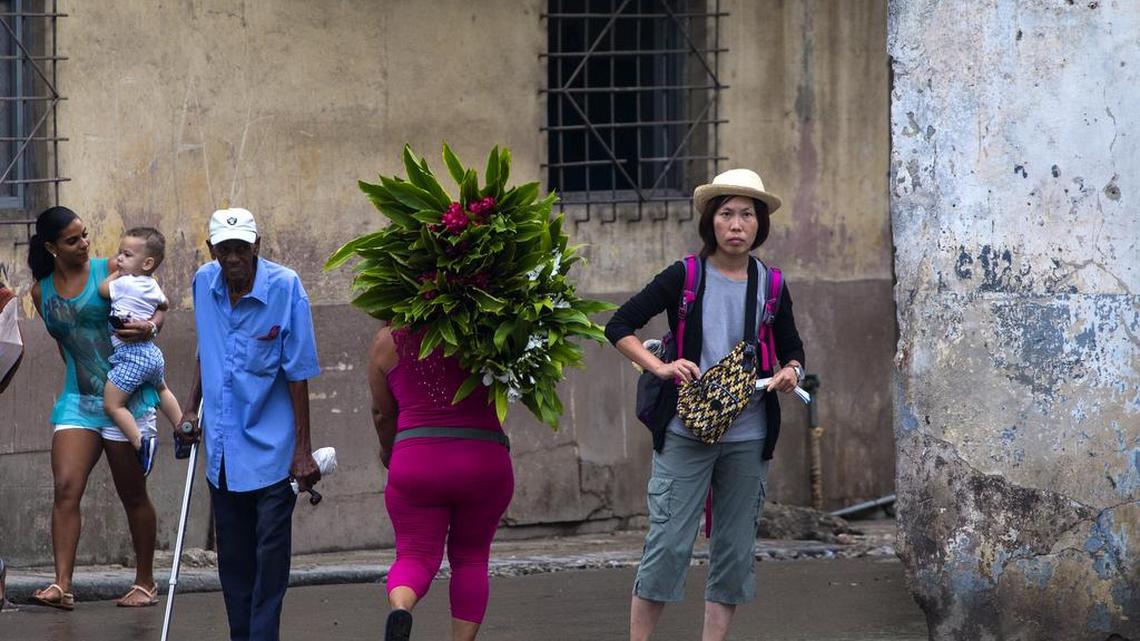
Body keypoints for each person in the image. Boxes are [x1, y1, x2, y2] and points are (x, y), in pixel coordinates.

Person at [604, 169, 806, 641]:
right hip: (686, 432)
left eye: (747, 216)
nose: (737, 225)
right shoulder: (686, 275)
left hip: (749, 436)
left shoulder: (772, 284)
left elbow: (793, 347)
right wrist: (660, 366)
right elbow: (619, 324)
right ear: (711, 223)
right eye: (727, 214)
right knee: (669, 546)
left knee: (734, 553)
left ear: (760, 226)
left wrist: (790, 371)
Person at [177, 207, 321, 641]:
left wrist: (302, 451)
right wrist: (188, 409)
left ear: (257, 245)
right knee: (234, 563)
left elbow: (298, 374)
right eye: (225, 249)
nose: (234, 257)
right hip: (222, 453)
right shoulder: (204, 282)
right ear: (212, 249)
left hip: (274, 456)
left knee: (269, 562)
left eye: (242, 248)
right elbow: (210, 351)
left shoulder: (286, 288)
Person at [26, 206, 164, 610]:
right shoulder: (41, 292)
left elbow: (155, 304)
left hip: (125, 398)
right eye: (73, 240)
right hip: (78, 399)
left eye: (85, 234)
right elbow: (64, 344)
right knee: (65, 487)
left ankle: (145, 582)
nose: (85, 243)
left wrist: (151, 328)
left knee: (132, 493)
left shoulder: (113, 270)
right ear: (51, 247)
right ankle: (62, 585)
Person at [368, 320, 515, 641]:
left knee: (414, 556)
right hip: (483, 458)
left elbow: (382, 414)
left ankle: (401, 610)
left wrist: (388, 452)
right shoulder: (490, 326)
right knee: (471, 559)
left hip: (417, 459)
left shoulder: (387, 341)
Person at [98, 227, 183, 475]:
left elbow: (102, 290)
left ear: (147, 262)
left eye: (126, 255)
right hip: (152, 354)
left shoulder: (124, 284)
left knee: (113, 405)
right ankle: (181, 428)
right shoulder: (152, 285)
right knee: (162, 389)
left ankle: (141, 442)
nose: (119, 259)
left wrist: (115, 274)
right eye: (119, 254)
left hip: (131, 356)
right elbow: (164, 303)